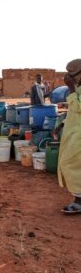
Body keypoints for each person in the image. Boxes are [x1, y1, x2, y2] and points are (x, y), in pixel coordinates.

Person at [53, 59, 81, 214]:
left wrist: (70, 88)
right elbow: (74, 112)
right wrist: (61, 124)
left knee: (69, 163)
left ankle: (79, 200)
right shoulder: (78, 88)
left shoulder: (74, 89)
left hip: (79, 135)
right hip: (74, 132)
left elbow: (78, 106)